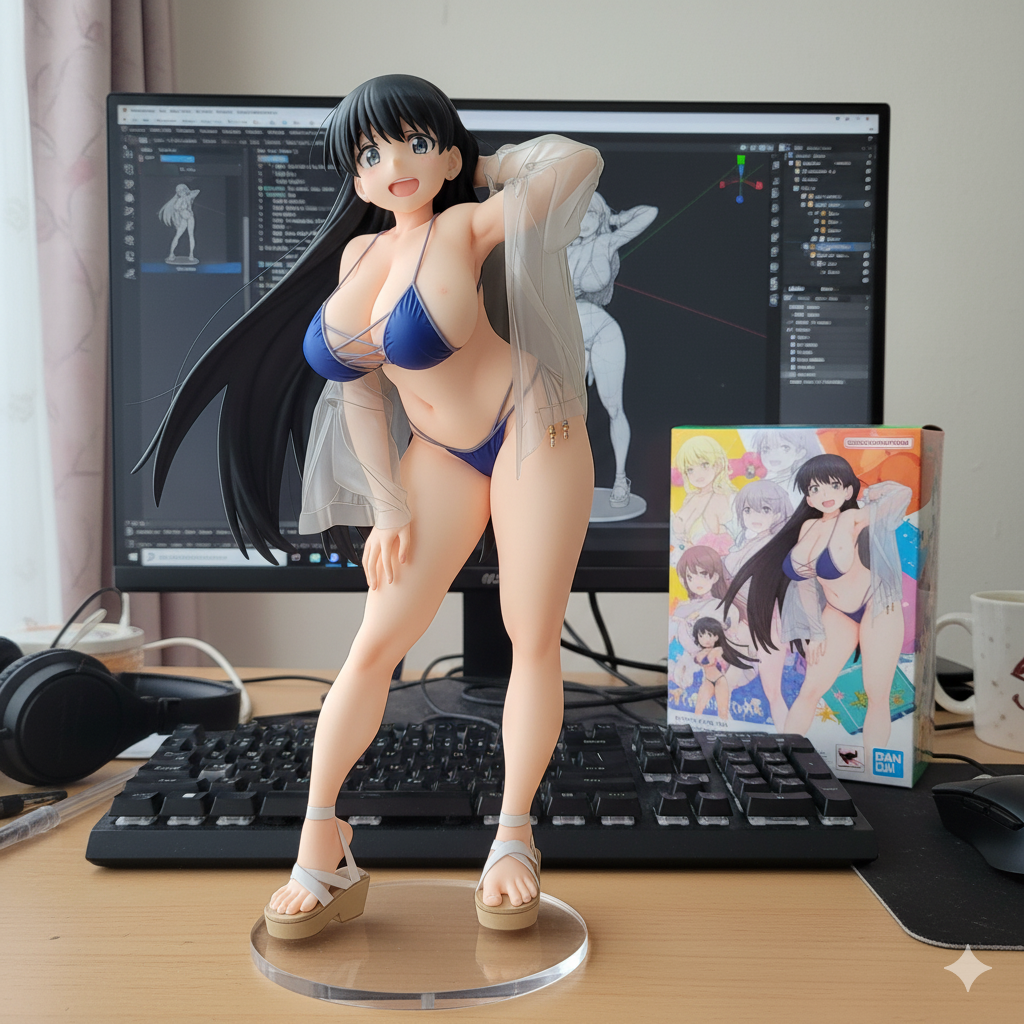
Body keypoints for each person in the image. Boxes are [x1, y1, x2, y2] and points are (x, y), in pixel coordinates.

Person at [140, 75, 602, 936]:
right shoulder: (358, 257)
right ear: (354, 175)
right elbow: (356, 389)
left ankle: (513, 840)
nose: (395, 164)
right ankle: (322, 843)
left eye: (416, 143)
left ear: (448, 157)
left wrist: (486, 166)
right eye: (371, 152)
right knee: (376, 641)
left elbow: (578, 163)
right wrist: (388, 507)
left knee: (529, 631)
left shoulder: (468, 225)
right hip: (438, 452)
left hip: (528, 426)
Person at [722, 453, 910, 753]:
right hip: (838, 612)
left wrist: (881, 488)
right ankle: (784, 756)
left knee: (876, 693)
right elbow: (805, 585)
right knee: (810, 689)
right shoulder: (808, 528)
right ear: (808, 498)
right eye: (815, 488)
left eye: (833, 485)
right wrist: (815, 631)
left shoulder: (855, 518)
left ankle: (875, 768)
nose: (824, 494)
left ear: (847, 491)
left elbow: (902, 497)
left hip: (876, 606)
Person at [566, 191, 657, 511]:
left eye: (592, 213)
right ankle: (568, 484)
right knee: (567, 414)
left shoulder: (607, 242)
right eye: (579, 214)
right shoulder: (558, 250)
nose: (585, 221)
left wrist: (614, 217)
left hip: (603, 332)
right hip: (567, 337)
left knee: (614, 407)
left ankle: (620, 479)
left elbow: (649, 212)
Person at [158, 183, 200, 262]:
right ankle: (171, 254)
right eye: (179, 192)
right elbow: (176, 209)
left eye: (182, 191)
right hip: (184, 219)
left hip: (190, 218)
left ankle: (191, 254)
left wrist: (188, 192)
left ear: (185, 191)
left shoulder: (188, 198)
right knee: (177, 236)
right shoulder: (178, 201)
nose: (181, 193)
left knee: (191, 235)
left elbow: (197, 191)